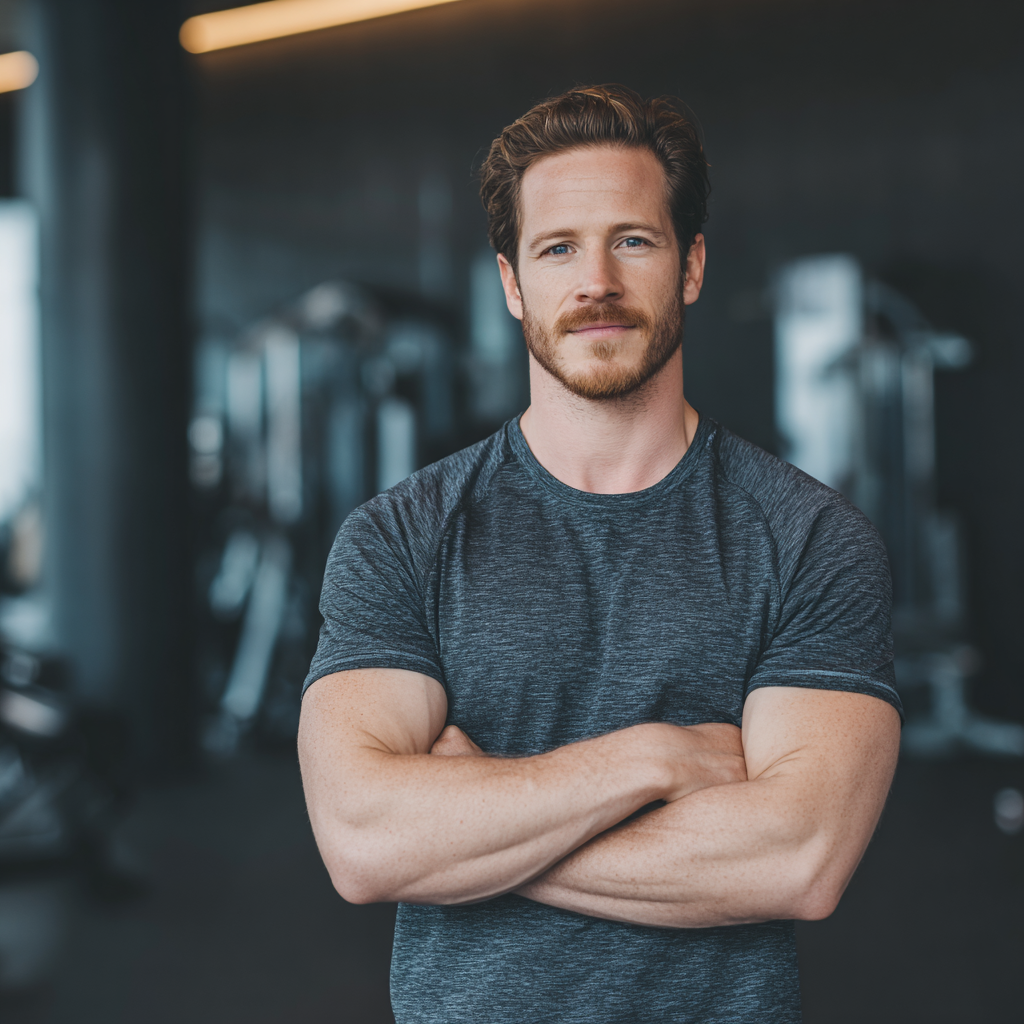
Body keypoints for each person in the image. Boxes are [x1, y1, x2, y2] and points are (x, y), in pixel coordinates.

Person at [298, 84, 902, 1023]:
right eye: (557, 248)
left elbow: (798, 857)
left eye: (633, 239)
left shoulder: (811, 540)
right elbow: (363, 842)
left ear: (691, 265)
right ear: (512, 283)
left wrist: (470, 830)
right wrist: (654, 760)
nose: (596, 284)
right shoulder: (401, 536)